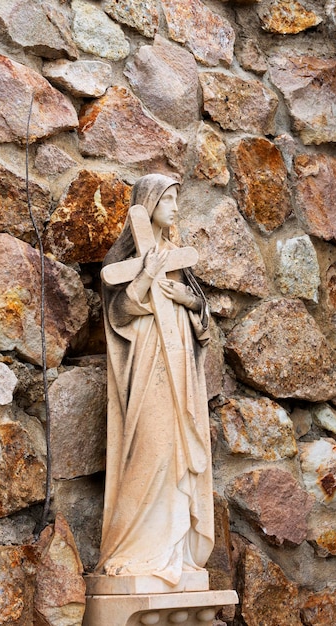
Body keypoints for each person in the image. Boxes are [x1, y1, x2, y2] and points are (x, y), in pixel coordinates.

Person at [96, 173, 214, 586]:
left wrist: (191, 303)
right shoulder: (126, 262)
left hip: (181, 366)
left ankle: (175, 553)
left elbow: (203, 324)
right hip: (147, 361)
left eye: (177, 199)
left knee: (180, 451)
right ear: (147, 206)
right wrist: (146, 275)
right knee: (151, 448)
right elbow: (118, 315)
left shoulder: (179, 257)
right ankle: (134, 550)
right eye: (168, 200)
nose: (176, 208)